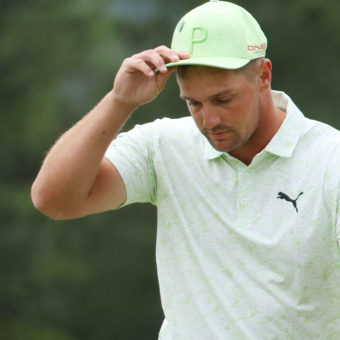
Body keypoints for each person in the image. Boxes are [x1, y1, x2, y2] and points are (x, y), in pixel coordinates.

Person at [31, 0, 340, 338]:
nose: (210, 121)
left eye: (223, 99)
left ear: (263, 75)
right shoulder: (163, 145)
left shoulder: (330, 159)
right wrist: (121, 101)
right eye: (194, 103)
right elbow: (55, 200)